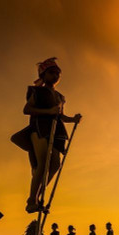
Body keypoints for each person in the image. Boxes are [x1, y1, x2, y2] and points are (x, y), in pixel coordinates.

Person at [11, 58, 82, 213]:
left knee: (55, 164)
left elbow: (60, 116)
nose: (55, 76)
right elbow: (27, 109)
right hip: (40, 128)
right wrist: (48, 112)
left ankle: (38, 194)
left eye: (58, 73)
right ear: (43, 75)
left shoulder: (60, 97)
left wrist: (73, 120)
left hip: (56, 131)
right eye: (52, 72)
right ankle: (31, 200)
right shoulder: (37, 91)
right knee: (43, 163)